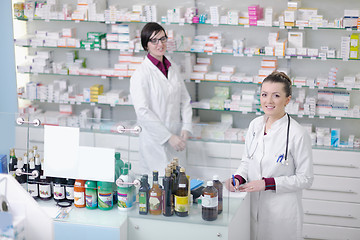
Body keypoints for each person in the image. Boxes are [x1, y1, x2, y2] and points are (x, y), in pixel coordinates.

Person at [225, 71, 313, 240]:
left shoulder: (297, 134)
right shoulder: (255, 125)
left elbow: (305, 179)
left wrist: (267, 184)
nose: (269, 101)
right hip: (252, 208)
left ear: (287, 100)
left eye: (276, 95)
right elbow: (247, 161)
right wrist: (237, 178)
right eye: (264, 95)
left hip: (282, 214)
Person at [129, 22, 192, 176]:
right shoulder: (140, 74)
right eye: (154, 40)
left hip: (177, 139)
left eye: (163, 39)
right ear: (146, 45)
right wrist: (168, 137)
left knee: (177, 186)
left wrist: (186, 127)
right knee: (157, 190)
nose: (160, 44)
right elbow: (143, 112)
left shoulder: (173, 68)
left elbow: (185, 100)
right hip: (154, 143)